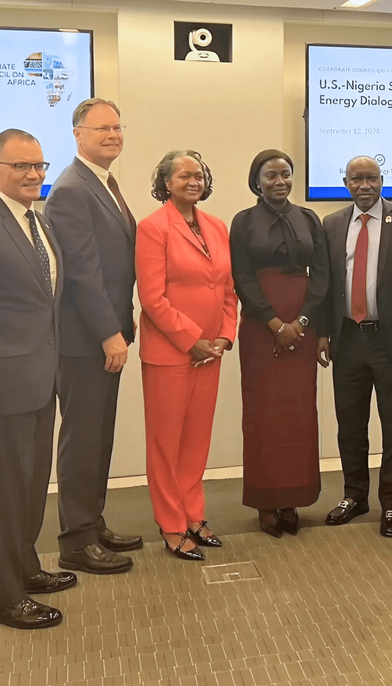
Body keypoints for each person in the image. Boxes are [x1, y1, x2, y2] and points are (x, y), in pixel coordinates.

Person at [0, 129, 73, 631]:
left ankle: (24, 568)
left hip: (41, 381)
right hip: (2, 387)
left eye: (40, 166)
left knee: (28, 487)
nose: (34, 175)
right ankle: (0, 596)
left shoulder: (37, 222)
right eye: (22, 166)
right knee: (7, 494)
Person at [46, 98, 141, 576]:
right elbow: (81, 274)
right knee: (82, 439)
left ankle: (92, 522)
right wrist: (109, 332)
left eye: (118, 127)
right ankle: (76, 542)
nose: (113, 135)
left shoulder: (103, 183)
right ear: (78, 134)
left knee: (99, 435)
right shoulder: (71, 189)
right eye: (102, 128)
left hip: (106, 334)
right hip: (85, 341)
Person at [317, 156, 392, 538]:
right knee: (350, 425)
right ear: (345, 182)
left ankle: (391, 504)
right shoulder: (331, 225)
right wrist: (322, 333)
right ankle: (355, 496)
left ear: (382, 180)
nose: (364, 185)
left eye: (371, 178)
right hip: (347, 339)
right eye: (356, 179)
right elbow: (325, 285)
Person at [136, 150, 237, 561]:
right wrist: (192, 339)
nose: (192, 181)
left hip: (211, 352)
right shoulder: (152, 228)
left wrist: (224, 338)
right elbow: (152, 298)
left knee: (196, 441)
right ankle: (172, 523)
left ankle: (194, 514)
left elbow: (228, 290)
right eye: (183, 175)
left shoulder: (216, 225)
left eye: (198, 175)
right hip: (170, 354)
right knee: (166, 443)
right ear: (165, 182)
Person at [230, 150, 328, 537]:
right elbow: (241, 276)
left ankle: (293, 498)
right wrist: (274, 323)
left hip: (302, 326)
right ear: (257, 180)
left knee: (298, 415)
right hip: (260, 325)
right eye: (271, 175)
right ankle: (266, 501)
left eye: (285, 174)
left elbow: (321, 274)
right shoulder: (243, 222)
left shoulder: (308, 218)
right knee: (263, 415)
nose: (280, 181)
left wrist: (303, 322)